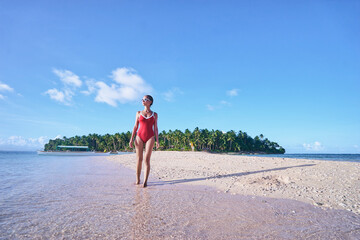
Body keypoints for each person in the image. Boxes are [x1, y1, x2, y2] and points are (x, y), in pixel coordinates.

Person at [129, 95, 159, 187]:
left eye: (145, 99)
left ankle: (145, 182)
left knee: (146, 160)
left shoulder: (155, 114)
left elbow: (155, 128)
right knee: (139, 159)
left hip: (150, 137)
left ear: (150, 102)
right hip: (139, 137)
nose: (143, 101)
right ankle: (138, 180)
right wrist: (131, 139)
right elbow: (135, 127)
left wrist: (157, 140)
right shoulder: (138, 113)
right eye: (142, 99)